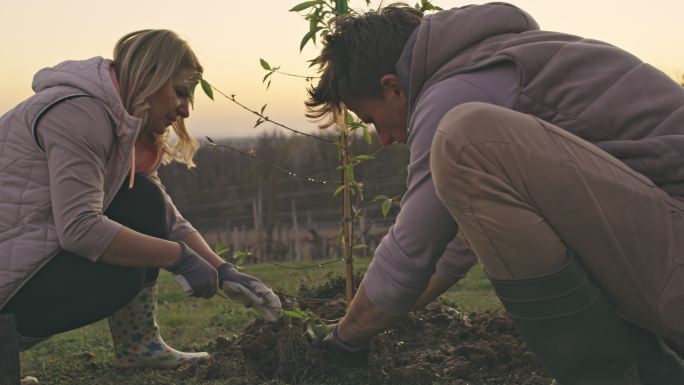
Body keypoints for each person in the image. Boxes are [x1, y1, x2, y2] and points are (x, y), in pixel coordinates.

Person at [306, 3, 684, 384]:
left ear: (392, 87)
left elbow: (412, 248)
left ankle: (618, 376)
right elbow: (452, 249)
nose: (384, 139)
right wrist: (372, 317)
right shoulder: (496, 63)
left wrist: (343, 339)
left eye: (371, 120)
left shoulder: (457, 91)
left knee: (465, 137)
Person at [0, 29, 281, 384]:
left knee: (145, 201)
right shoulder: (79, 114)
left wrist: (224, 270)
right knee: (121, 277)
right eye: (180, 92)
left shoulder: (118, 123)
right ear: (151, 76)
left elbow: (162, 214)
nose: (186, 109)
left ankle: (140, 346)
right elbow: (80, 230)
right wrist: (177, 257)